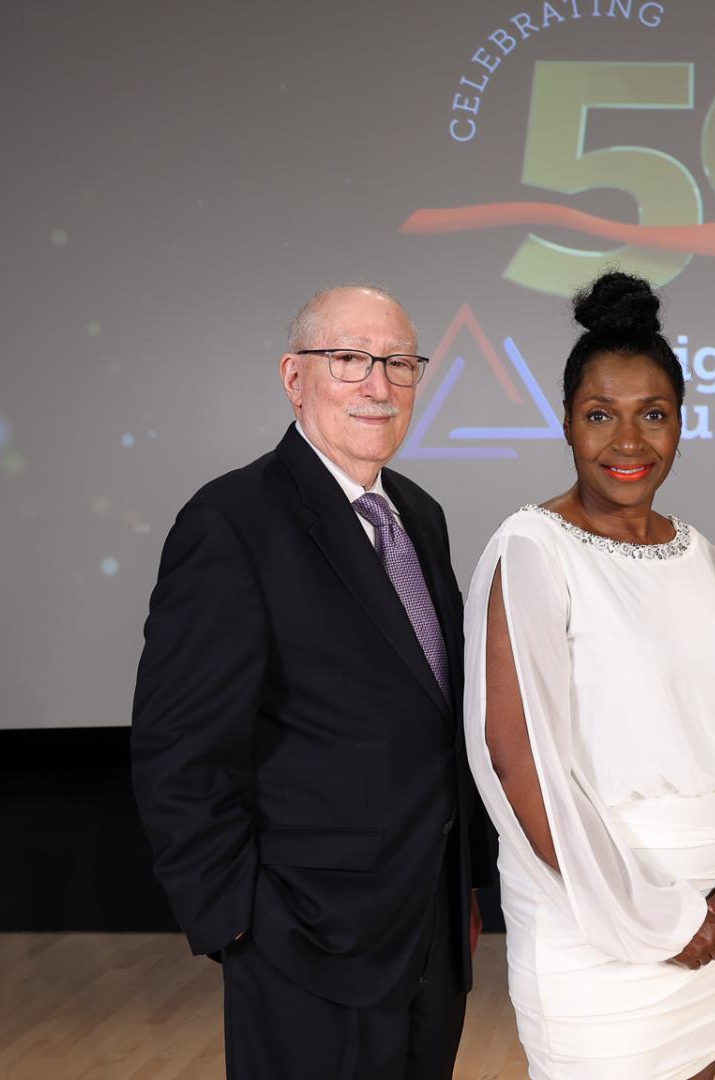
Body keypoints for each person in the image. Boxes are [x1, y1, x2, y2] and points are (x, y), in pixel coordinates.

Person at [131, 285, 485, 1078]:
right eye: (350, 360)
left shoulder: (417, 514)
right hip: (303, 941)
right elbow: (179, 749)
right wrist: (238, 925)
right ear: (295, 377)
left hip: (427, 929)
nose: (379, 385)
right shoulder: (231, 521)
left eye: (399, 363)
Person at [464, 271, 715, 1080]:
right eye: (600, 415)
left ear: (682, 423)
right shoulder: (531, 549)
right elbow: (515, 758)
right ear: (566, 421)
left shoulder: (701, 555)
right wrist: (654, 916)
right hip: (594, 920)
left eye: (654, 415)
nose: (628, 442)